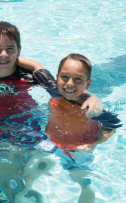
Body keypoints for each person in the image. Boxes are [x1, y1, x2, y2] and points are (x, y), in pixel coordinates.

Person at [45, 53, 121, 203]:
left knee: (77, 176)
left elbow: (112, 124)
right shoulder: (54, 93)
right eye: (64, 77)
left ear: (87, 84)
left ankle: (86, 190)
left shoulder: (90, 109)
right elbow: (36, 70)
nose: (69, 84)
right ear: (57, 77)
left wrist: (94, 144)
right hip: (53, 142)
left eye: (78, 79)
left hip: (78, 149)